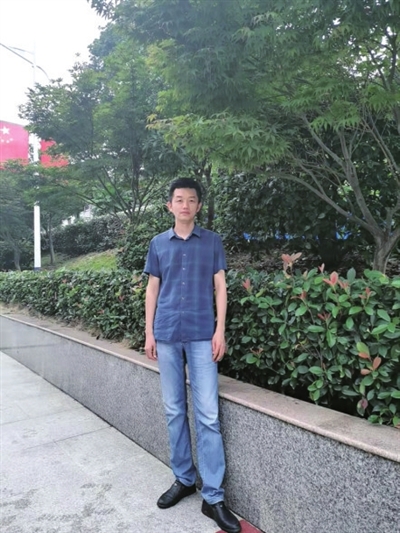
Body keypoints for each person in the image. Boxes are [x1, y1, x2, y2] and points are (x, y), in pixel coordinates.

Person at [144, 178, 241, 533]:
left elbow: (220, 287)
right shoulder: (158, 244)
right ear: (169, 205)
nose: (185, 205)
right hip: (167, 334)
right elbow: (152, 289)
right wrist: (149, 332)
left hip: (202, 335)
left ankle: (213, 496)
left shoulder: (212, 241)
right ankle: (184, 478)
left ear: (199, 206)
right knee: (173, 410)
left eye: (191, 200)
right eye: (179, 199)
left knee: (208, 415)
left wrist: (220, 330)